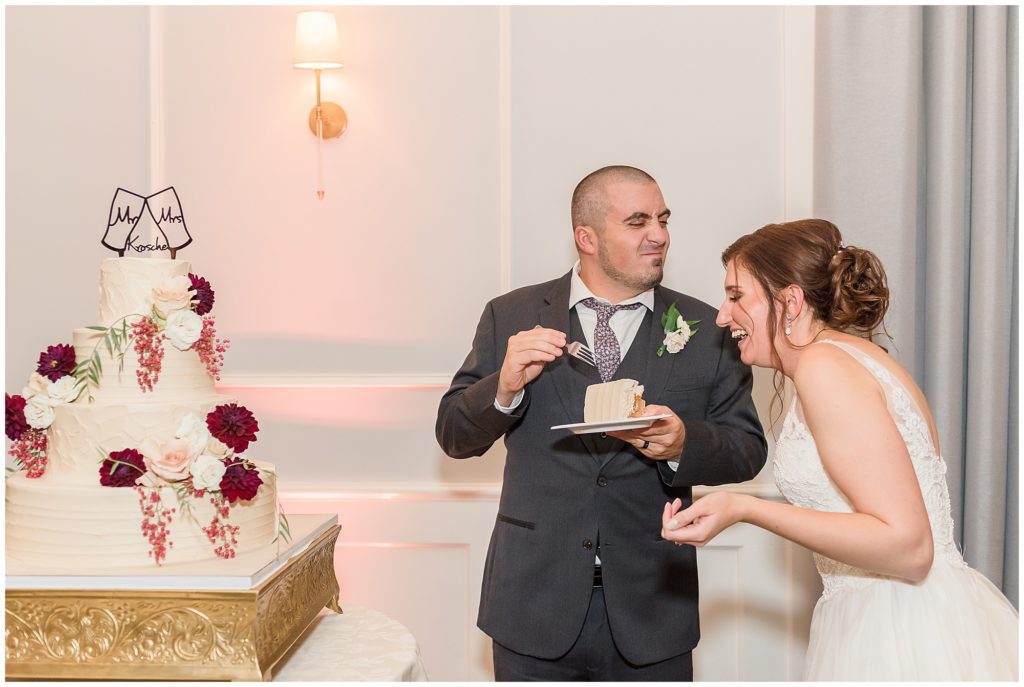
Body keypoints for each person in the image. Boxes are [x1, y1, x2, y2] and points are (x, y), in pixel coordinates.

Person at [435, 165, 767, 681]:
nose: (658, 235)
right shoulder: (510, 314)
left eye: (663, 218)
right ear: (585, 237)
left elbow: (747, 448)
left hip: (653, 606)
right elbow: (454, 436)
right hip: (532, 603)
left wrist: (682, 443)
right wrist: (503, 386)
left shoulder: (706, 329)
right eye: (637, 222)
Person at [661, 218, 1019, 680]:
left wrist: (746, 508)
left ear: (789, 300)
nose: (722, 316)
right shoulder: (855, 357)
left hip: (899, 628)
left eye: (736, 296)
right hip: (900, 610)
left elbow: (909, 548)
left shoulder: (824, 368)